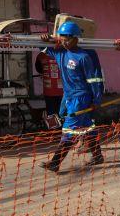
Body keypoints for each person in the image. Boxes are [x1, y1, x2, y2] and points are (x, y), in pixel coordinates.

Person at [39, 21, 105, 172]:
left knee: (69, 130)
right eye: (63, 38)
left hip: (81, 99)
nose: (65, 41)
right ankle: (98, 156)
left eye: (69, 38)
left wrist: (96, 100)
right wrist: (44, 38)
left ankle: (55, 163)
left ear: (76, 38)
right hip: (69, 97)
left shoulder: (83, 57)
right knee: (88, 127)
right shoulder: (60, 53)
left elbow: (93, 80)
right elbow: (42, 47)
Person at [34, 51, 63, 118]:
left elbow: (39, 70)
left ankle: (53, 128)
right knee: (62, 115)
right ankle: (61, 127)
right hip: (63, 91)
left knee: (51, 115)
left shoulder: (41, 55)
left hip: (49, 91)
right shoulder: (63, 53)